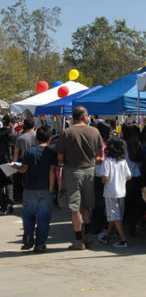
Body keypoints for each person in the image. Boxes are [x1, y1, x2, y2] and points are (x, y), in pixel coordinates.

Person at [55, 106, 103, 250]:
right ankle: (88, 235)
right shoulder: (94, 131)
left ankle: (78, 240)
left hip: (73, 172)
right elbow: (100, 152)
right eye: (87, 115)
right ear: (83, 116)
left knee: (75, 208)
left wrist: (64, 163)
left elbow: (60, 156)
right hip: (90, 171)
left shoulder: (67, 133)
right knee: (85, 206)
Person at [11, 126, 57, 253]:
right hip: (46, 188)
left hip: (30, 187)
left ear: (37, 138)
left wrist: (15, 167)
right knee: (43, 218)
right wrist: (51, 189)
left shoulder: (29, 152)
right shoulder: (51, 153)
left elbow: (24, 169)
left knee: (28, 215)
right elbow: (52, 172)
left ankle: (28, 239)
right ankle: (40, 244)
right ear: (49, 139)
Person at [97, 137, 131, 248]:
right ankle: (106, 237)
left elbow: (104, 177)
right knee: (115, 215)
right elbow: (129, 176)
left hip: (110, 192)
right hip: (122, 191)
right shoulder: (123, 161)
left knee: (114, 216)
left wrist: (104, 181)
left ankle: (123, 240)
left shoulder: (107, 162)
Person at [121, 124, 144, 236]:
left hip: (125, 177)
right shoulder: (137, 144)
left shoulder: (122, 145)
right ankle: (134, 226)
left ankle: (125, 226)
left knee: (127, 203)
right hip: (137, 176)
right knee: (136, 203)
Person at [90, 122, 112, 235]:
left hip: (105, 175)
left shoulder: (107, 144)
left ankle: (102, 225)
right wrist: (99, 159)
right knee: (99, 203)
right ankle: (96, 226)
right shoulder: (95, 144)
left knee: (103, 203)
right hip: (97, 175)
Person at [12, 117, 38, 202]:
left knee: (26, 183)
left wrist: (14, 164)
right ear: (34, 125)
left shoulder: (20, 138)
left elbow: (16, 153)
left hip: (25, 162)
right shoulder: (38, 135)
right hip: (38, 160)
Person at [0, 115, 17, 214]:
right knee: (9, 183)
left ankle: (2, 206)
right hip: (8, 161)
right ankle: (9, 205)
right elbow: (16, 148)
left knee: (0, 184)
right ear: (10, 123)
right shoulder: (12, 135)